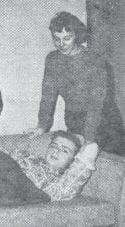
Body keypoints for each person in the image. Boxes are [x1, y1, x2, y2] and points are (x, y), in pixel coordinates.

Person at [24, 11, 124, 155]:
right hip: (74, 119)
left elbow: (96, 104)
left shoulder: (95, 61)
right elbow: (48, 96)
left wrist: (89, 139)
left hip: (104, 120)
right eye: (56, 39)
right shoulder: (52, 60)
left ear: (76, 35)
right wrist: (42, 126)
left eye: (67, 38)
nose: (61, 44)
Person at [9, 130, 99, 201]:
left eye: (65, 150)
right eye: (54, 146)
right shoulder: (24, 156)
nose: (56, 151)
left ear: (73, 160)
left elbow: (91, 149)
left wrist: (87, 145)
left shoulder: (57, 184)